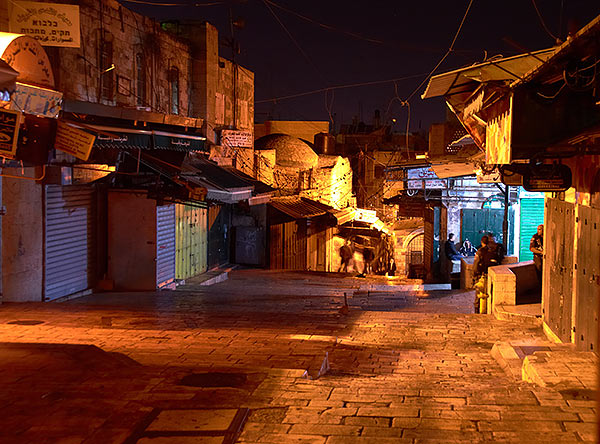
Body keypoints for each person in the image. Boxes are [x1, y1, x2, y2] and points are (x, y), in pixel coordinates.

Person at [472, 234, 503, 314]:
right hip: (491, 275)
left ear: (482, 242)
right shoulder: (495, 251)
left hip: (482, 275)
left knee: (479, 293)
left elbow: (476, 265)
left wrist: (474, 275)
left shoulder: (481, 251)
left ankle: (477, 309)